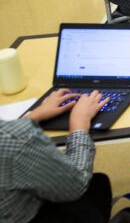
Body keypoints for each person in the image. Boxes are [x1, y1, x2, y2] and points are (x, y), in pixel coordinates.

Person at [1, 90, 111, 223]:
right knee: (98, 185)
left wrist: (33, 116)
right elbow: (75, 185)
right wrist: (79, 124)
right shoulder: (15, 140)